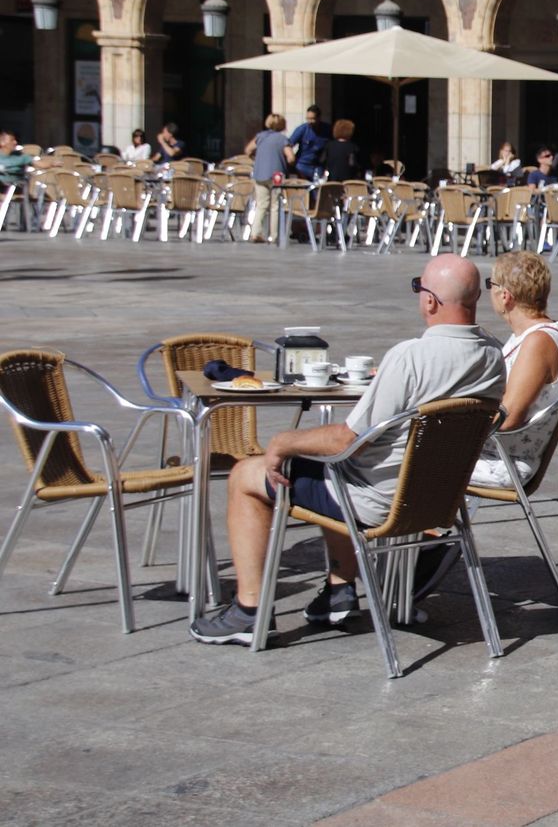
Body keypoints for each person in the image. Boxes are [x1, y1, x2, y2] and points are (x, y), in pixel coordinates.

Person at [190, 255, 505, 645]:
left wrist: (281, 442)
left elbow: (347, 440)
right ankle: (339, 589)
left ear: (430, 302)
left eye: (418, 288)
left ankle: (249, 610)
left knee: (246, 475)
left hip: (375, 501)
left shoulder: (410, 356)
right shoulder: (493, 356)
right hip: (436, 499)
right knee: (325, 465)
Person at [471, 252, 558, 489]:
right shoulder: (534, 335)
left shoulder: (538, 342)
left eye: (491, 284)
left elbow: (508, 418)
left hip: (507, 460)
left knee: (408, 456)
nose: (489, 291)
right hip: (500, 452)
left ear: (505, 296)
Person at [244, 113, 294, 243]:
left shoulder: (260, 136)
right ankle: (274, 235)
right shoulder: (282, 139)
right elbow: (291, 157)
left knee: (261, 204)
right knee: (275, 205)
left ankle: (255, 233)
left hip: (260, 173)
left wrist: (257, 159)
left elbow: (248, 150)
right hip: (276, 175)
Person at [287, 104, 329, 180]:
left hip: (319, 166)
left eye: (313, 119)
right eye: (308, 119)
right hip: (302, 165)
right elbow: (289, 144)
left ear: (319, 118)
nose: (310, 121)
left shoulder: (327, 129)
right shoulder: (302, 129)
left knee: (318, 189)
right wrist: (291, 158)